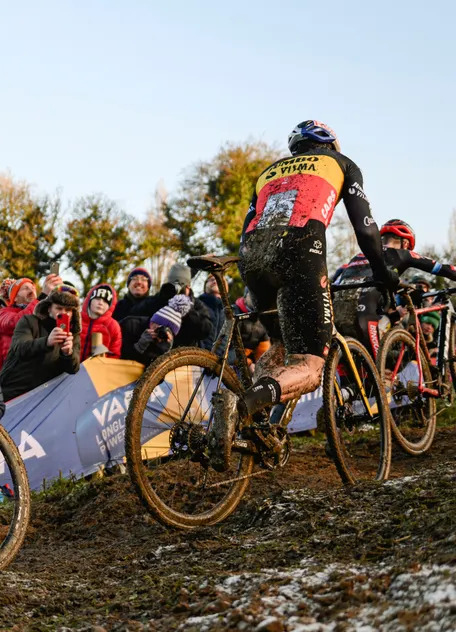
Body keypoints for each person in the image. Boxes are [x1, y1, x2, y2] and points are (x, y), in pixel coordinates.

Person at [211, 120, 399, 471]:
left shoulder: (269, 172)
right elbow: (366, 228)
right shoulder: (341, 163)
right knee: (311, 368)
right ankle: (242, 407)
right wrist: (383, 271)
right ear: (330, 142)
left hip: (253, 258)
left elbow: (247, 226)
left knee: (281, 347)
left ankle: (246, 422)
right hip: (300, 252)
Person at [332, 219, 456, 356]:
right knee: (374, 371)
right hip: (366, 315)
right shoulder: (403, 254)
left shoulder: (358, 256)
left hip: (336, 314)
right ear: (406, 243)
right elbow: (443, 269)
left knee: (347, 370)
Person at [0, 289, 82, 400]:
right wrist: (46, 342)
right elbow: (19, 348)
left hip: (43, 400)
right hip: (12, 390)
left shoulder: (73, 335)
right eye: (59, 308)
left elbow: (73, 369)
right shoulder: (29, 321)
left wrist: (67, 353)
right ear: (49, 308)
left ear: (73, 313)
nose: (63, 313)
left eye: (68, 310)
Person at [121, 295, 193, 366]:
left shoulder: (169, 341)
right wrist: (139, 346)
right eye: (158, 326)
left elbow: (157, 374)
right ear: (152, 321)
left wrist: (163, 354)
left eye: (167, 331)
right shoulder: (131, 325)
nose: (160, 332)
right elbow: (120, 356)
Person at [79, 284, 122, 360]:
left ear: (110, 306)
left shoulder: (113, 326)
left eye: (105, 301)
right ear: (89, 300)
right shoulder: (76, 319)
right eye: (98, 299)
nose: (101, 303)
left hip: (98, 370)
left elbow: (114, 355)